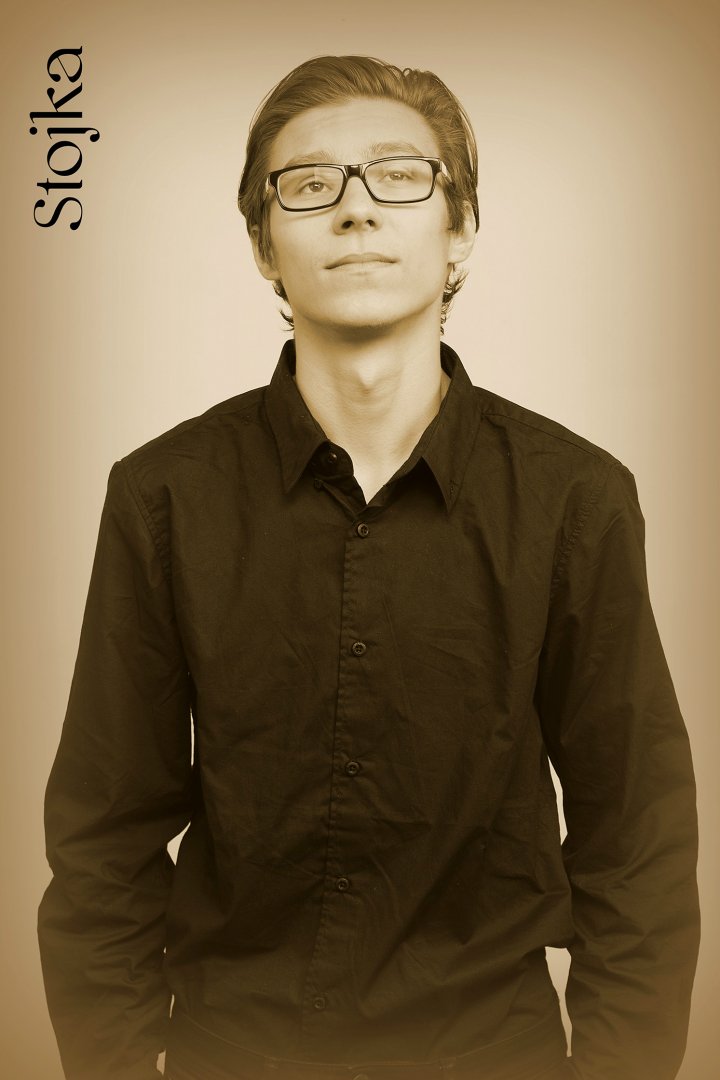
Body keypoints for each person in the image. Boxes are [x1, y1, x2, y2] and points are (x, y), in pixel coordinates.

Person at [38, 55, 700, 1080]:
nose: (355, 209)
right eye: (309, 184)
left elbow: (637, 843)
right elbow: (102, 843)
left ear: (460, 228)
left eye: (399, 175)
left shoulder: (577, 499)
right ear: (264, 245)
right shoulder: (161, 497)